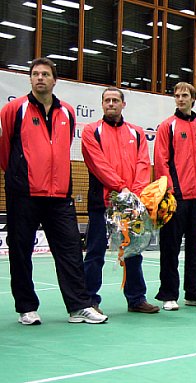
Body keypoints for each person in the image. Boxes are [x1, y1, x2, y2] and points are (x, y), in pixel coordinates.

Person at [0, 57, 108, 325]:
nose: (40, 78)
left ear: (54, 80)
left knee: (71, 251)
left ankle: (79, 306)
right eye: (35, 74)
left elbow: (62, 148)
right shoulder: (15, 109)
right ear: (30, 79)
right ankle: (26, 307)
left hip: (59, 196)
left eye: (45, 74)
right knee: (20, 251)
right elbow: (5, 151)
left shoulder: (68, 113)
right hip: (23, 194)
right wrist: (20, 176)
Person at [81, 87, 160, 315]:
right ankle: (89, 300)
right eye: (107, 100)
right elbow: (98, 165)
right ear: (102, 104)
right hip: (102, 203)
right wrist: (121, 188)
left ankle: (136, 299)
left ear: (123, 104)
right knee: (95, 252)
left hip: (130, 204)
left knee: (133, 252)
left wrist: (133, 194)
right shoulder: (91, 131)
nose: (111, 104)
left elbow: (143, 164)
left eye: (116, 100)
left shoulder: (136, 133)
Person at [154, 82, 196, 310]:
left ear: (193, 99)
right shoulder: (167, 126)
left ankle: (194, 292)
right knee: (170, 247)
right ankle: (168, 294)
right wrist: (170, 192)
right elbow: (161, 162)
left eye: (185, 95)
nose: (180, 99)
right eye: (177, 95)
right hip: (176, 198)